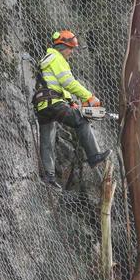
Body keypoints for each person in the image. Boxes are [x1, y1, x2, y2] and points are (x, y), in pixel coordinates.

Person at [32, 30, 110, 188]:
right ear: (61, 46)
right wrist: (88, 97)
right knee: (81, 120)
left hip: (42, 105)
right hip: (53, 103)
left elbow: (54, 83)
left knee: (47, 139)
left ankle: (49, 176)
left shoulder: (48, 58)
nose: (72, 52)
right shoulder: (57, 58)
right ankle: (94, 155)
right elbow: (68, 82)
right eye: (70, 48)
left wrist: (69, 101)